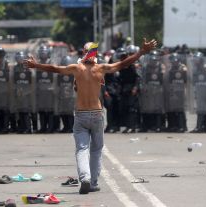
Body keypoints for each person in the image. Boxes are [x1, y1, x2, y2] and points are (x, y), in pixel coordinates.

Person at [24, 38, 157, 194]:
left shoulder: (76, 68)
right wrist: (142, 51)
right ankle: (93, 183)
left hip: (81, 114)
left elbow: (55, 68)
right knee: (96, 150)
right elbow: (123, 64)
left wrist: (36, 65)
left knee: (82, 149)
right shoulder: (100, 69)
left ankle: (85, 178)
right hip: (96, 114)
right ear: (94, 54)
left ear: (83, 53)